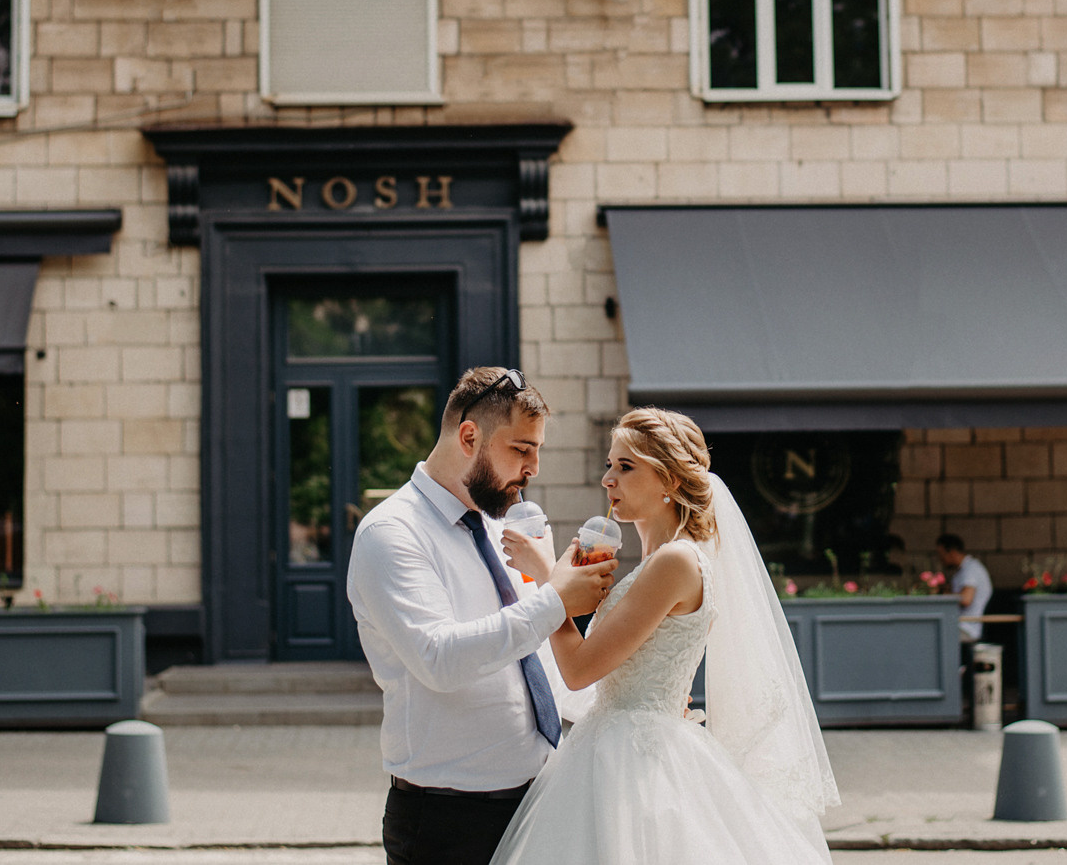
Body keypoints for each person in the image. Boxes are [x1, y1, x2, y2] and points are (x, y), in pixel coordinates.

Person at [489, 406, 841, 865]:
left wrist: (549, 580)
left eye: (626, 466)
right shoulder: (656, 561)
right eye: (609, 465)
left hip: (636, 763)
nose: (608, 479)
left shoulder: (675, 562)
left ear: (670, 482)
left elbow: (578, 671)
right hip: (617, 743)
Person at [347, 366, 618, 865]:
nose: (534, 467)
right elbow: (439, 660)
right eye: (521, 449)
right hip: (448, 821)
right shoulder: (391, 533)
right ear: (469, 436)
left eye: (538, 450)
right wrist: (556, 599)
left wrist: (626, 706)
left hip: (540, 798)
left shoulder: (500, 526)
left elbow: (536, 659)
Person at [935, 532, 993, 643]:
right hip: (960, 625)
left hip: (966, 629)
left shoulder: (970, 569)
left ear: (952, 552)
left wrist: (941, 595)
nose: (940, 559)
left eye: (941, 555)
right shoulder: (963, 570)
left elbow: (966, 599)